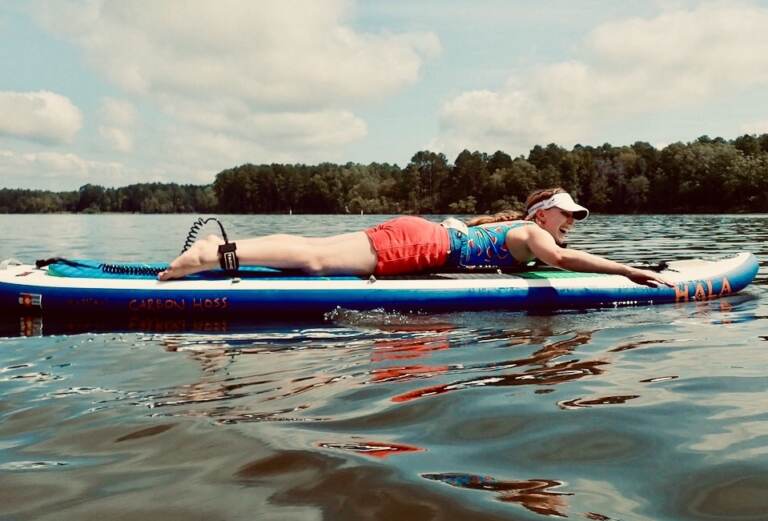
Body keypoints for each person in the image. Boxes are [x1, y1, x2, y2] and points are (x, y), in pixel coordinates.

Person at [157, 187, 671, 287]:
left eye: (574, 217)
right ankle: (213, 253)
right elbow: (566, 261)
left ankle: (223, 253)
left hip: (421, 235)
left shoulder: (518, 229)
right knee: (313, 260)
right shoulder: (536, 236)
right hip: (424, 245)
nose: (570, 224)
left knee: (317, 252)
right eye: (565, 216)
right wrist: (627, 270)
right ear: (542, 216)